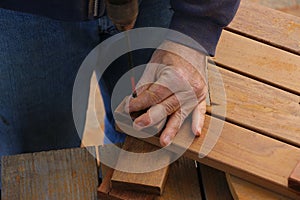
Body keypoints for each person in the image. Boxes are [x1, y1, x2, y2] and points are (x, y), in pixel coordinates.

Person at [0, 0, 240, 191]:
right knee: (38, 169)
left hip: (159, 5)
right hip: (22, 9)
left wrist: (194, 31)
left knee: (156, 135)